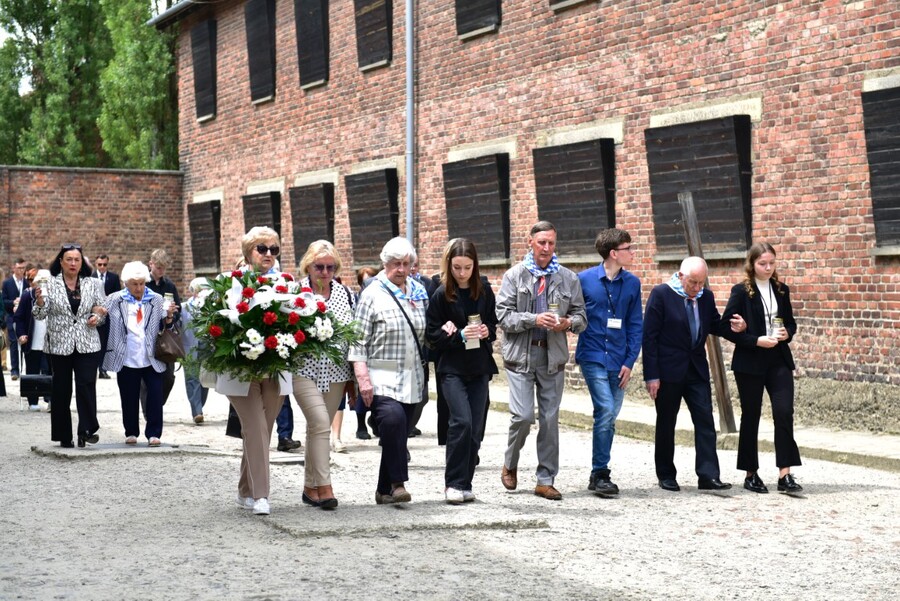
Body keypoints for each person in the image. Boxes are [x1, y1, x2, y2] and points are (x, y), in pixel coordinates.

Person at [497, 221, 586, 501]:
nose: (546, 248)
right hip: (521, 358)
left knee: (550, 419)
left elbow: (582, 317)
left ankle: (545, 479)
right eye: (541, 243)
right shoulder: (514, 276)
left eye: (551, 243)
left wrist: (568, 323)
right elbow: (503, 317)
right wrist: (533, 319)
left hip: (553, 358)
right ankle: (510, 463)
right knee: (523, 416)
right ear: (530, 243)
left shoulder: (568, 278)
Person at [642, 256, 741, 492]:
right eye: (693, 283)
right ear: (680, 276)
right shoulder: (662, 294)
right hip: (668, 371)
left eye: (701, 283)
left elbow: (714, 324)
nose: (697, 288)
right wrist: (651, 375)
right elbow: (650, 337)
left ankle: (708, 475)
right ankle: (666, 474)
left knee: (705, 420)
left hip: (696, 370)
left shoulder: (705, 297)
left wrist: (735, 328)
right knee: (667, 422)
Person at [216, 227, 293, 516]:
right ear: (249, 251)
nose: (269, 254)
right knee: (255, 427)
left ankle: (245, 489)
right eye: (263, 249)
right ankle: (262, 495)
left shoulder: (287, 282)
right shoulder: (230, 282)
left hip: (274, 366)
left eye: (274, 249)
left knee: (263, 430)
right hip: (241, 367)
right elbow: (218, 322)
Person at [349, 237, 428, 505]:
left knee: (398, 431)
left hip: (412, 377)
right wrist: (362, 380)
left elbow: (428, 331)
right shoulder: (372, 293)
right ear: (385, 264)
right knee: (393, 421)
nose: (402, 269)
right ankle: (397, 484)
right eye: (396, 264)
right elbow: (357, 340)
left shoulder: (418, 292)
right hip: (380, 377)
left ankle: (382, 490)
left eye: (407, 264)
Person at [720, 242, 803, 494]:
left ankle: (785, 474)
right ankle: (750, 473)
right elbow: (725, 327)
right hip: (751, 361)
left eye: (771, 263)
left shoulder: (781, 289)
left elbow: (790, 323)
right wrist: (754, 339)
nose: (768, 268)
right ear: (752, 264)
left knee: (783, 411)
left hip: (778, 358)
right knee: (752, 414)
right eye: (762, 264)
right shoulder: (741, 291)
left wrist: (785, 333)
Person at [425, 238, 498, 504]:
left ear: (475, 266)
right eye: (457, 267)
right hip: (452, 368)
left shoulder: (485, 290)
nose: (462, 273)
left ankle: (466, 483)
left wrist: (487, 330)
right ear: (449, 265)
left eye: (467, 267)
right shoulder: (441, 293)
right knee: (461, 422)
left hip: (479, 366)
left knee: (476, 427)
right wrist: (459, 336)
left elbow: (492, 322)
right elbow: (432, 335)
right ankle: (453, 483)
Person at [575, 228, 643, 496]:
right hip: (592, 355)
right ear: (614, 253)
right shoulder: (583, 280)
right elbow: (574, 314)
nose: (632, 252)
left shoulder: (633, 283)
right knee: (605, 410)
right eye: (628, 248)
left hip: (619, 358)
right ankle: (601, 472)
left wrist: (630, 361)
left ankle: (596, 474)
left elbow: (636, 325)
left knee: (609, 416)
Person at [292, 240, 356, 509]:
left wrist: (355, 378)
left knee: (316, 429)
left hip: (337, 372)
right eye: (320, 266)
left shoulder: (346, 294)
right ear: (308, 265)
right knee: (320, 424)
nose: (325, 272)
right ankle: (326, 486)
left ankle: (309, 488)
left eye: (331, 267)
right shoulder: (295, 293)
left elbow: (354, 336)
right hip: (303, 370)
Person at [33, 243, 108, 448]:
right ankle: (63, 435)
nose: (73, 263)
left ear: (81, 262)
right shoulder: (50, 283)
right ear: (61, 262)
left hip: (87, 342)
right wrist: (39, 301)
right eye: (69, 259)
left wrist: (96, 316)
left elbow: (101, 309)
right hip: (59, 344)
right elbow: (40, 314)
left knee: (86, 385)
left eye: (77, 260)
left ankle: (86, 430)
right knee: (61, 390)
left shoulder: (92, 284)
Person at [103, 262, 178, 446]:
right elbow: (102, 320)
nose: (139, 288)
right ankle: (131, 431)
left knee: (154, 394)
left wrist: (168, 317)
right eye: (134, 284)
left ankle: (154, 433)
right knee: (128, 395)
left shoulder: (156, 299)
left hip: (151, 354)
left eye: (142, 283)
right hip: (126, 354)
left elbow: (167, 326)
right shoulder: (115, 299)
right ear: (126, 283)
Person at [143, 249, 181, 406]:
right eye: (158, 267)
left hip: (165, 336)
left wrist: (172, 314)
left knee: (168, 377)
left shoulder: (169, 286)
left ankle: (156, 404)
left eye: (163, 268)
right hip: (145, 335)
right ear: (151, 264)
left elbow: (179, 310)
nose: (161, 271)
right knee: (147, 375)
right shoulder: (143, 284)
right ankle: (148, 409)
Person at [14, 268, 53, 411]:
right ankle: (33, 400)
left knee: (50, 370)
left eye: (47, 283)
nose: (43, 286)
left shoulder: (56, 297)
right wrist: (21, 334)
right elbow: (19, 318)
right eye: (40, 283)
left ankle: (50, 399)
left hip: (51, 342)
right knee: (32, 370)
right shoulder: (27, 296)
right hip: (33, 340)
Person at [352, 266, 378, 440]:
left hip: (378, 350)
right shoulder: (357, 299)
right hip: (362, 349)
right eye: (364, 282)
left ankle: (377, 422)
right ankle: (361, 424)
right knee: (363, 390)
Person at [182, 277, 210, 424]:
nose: (201, 293)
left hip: (206, 347)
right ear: (193, 291)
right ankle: (197, 411)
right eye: (199, 290)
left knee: (205, 380)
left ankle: (199, 405)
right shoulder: (184, 308)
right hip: (189, 347)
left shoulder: (210, 308)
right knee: (192, 378)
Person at [93, 254, 121, 379]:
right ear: (96, 264)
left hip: (109, 315)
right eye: (100, 264)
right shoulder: (90, 278)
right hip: (93, 314)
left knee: (105, 341)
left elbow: (117, 296)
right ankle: (93, 366)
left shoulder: (113, 278)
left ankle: (102, 368)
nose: (102, 267)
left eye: (105, 264)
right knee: (95, 341)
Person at [2, 258, 28, 380]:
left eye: (23, 268)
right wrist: (13, 302)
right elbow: (4, 301)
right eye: (19, 268)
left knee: (24, 341)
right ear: (14, 268)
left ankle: (24, 368)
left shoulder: (27, 283)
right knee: (13, 343)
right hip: (11, 317)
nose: (21, 270)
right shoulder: (7, 283)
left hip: (24, 318)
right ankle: (15, 370)